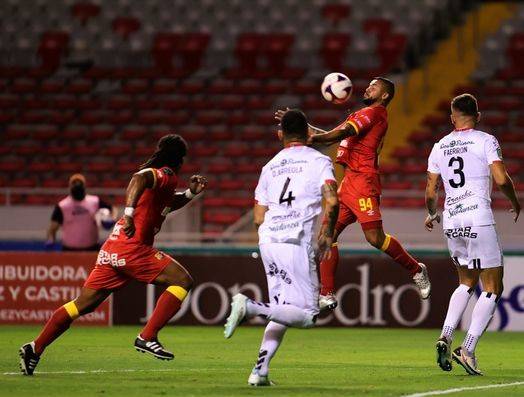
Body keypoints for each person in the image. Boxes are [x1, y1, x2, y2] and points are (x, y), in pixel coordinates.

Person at [19, 134, 208, 376]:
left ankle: (34, 348)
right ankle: (147, 336)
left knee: (81, 306)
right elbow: (138, 179)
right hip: (132, 248)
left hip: (112, 249)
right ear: (179, 158)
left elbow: (167, 204)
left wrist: (190, 194)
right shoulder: (164, 173)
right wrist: (128, 214)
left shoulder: (165, 182)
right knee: (183, 281)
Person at [276, 77, 431, 310]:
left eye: (374, 86)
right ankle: (326, 294)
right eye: (369, 84)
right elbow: (334, 133)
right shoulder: (360, 115)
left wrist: (307, 138)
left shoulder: (376, 113)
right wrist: (301, 129)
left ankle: (416, 269)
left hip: (363, 182)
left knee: (374, 238)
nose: (368, 87)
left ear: (385, 95)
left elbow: (337, 135)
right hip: (348, 181)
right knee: (327, 235)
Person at [224, 109, 339, 386]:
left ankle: (259, 372)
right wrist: (327, 234)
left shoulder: (269, 167)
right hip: (295, 241)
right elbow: (333, 201)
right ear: (309, 134)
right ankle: (250, 307)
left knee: (283, 309)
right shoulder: (319, 161)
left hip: (268, 240)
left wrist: (270, 236)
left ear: (280, 135)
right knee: (309, 315)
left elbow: (258, 217)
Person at [425, 93, 520, 375]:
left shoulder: (439, 146)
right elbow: (501, 178)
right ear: (478, 116)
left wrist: (432, 213)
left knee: (466, 282)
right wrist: (515, 202)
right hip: (478, 217)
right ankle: (467, 348)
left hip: (452, 220)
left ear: (452, 117)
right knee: (493, 287)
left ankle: (445, 335)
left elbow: (432, 190)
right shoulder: (485, 140)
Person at [46, 173, 115, 251]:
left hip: (92, 249)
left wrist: (111, 218)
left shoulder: (95, 201)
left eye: (79, 184)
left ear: (84, 186)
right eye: (74, 184)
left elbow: (112, 209)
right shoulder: (62, 206)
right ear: (70, 187)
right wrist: (50, 240)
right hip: (69, 251)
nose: (77, 186)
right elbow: (52, 228)